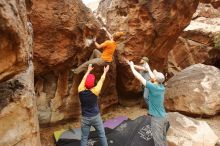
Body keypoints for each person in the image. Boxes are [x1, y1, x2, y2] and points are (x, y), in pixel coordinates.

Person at [127, 60, 169, 146]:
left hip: (157, 119)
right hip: (164, 117)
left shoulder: (153, 87)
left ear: (155, 79)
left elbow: (138, 76)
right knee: (163, 138)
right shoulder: (161, 86)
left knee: (158, 142)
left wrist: (131, 66)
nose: (154, 74)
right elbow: (153, 76)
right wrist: (149, 69)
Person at [78, 64, 109, 146]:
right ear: (92, 84)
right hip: (95, 117)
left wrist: (88, 70)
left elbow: (83, 79)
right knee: (102, 135)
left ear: (85, 83)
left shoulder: (80, 89)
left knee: (84, 137)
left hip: (85, 118)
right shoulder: (95, 91)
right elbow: (101, 80)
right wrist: (105, 72)